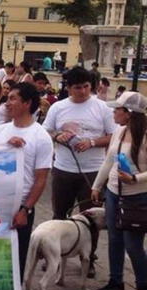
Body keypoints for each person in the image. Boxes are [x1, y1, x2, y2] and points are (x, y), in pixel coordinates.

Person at [0, 82, 53, 290]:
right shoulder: (0, 131)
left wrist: (26, 208)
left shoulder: (41, 137)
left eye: (13, 98)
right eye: (7, 98)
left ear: (27, 103)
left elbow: (41, 179)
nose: (8, 102)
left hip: (20, 206)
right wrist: (5, 146)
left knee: (16, 254)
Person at [43, 66, 116, 277]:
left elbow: (113, 136)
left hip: (93, 171)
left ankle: (89, 258)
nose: (82, 91)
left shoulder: (102, 108)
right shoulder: (58, 107)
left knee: (91, 218)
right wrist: (58, 136)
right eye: (77, 87)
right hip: (64, 169)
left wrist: (92, 142)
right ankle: (54, 257)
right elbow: (47, 130)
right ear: (68, 88)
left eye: (86, 87)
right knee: (59, 215)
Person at [91, 92, 147, 290]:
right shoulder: (119, 132)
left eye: (118, 110)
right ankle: (116, 282)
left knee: (133, 245)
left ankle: (144, 286)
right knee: (114, 238)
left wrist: (135, 178)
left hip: (138, 196)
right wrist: (97, 185)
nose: (113, 113)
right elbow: (109, 161)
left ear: (129, 113)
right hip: (114, 192)